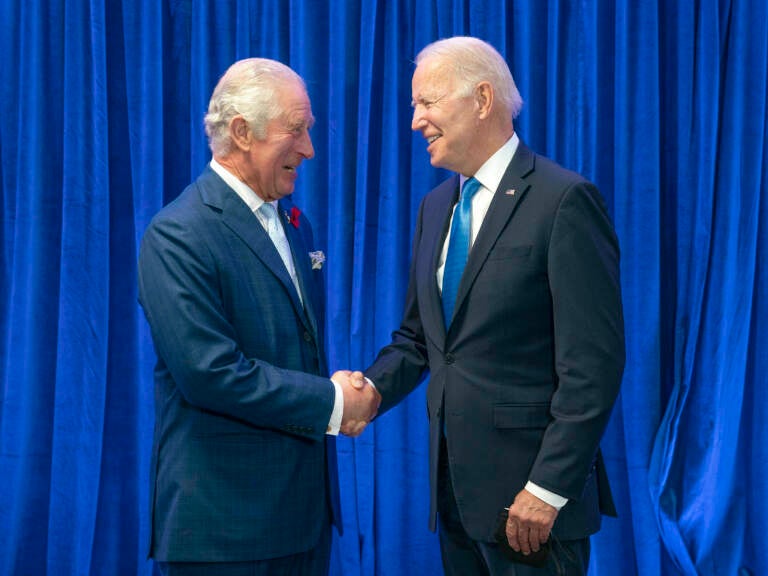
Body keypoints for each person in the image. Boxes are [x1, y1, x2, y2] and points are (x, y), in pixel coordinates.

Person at [363, 37, 625, 575]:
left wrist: (548, 488)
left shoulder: (563, 200)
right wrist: (365, 394)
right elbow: (421, 339)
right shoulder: (436, 207)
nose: (416, 121)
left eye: (427, 103)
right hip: (457, 499)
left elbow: (593, 365)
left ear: (482, 98)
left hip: (532, 511)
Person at [137, 58, 380, 576]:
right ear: (243, 132)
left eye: (308, 130)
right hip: (225, 532)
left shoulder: (296, 224)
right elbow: (210, 375)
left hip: (303, 522)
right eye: (296, 130)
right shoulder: (178, 235)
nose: (310, 149)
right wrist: (334, 401)